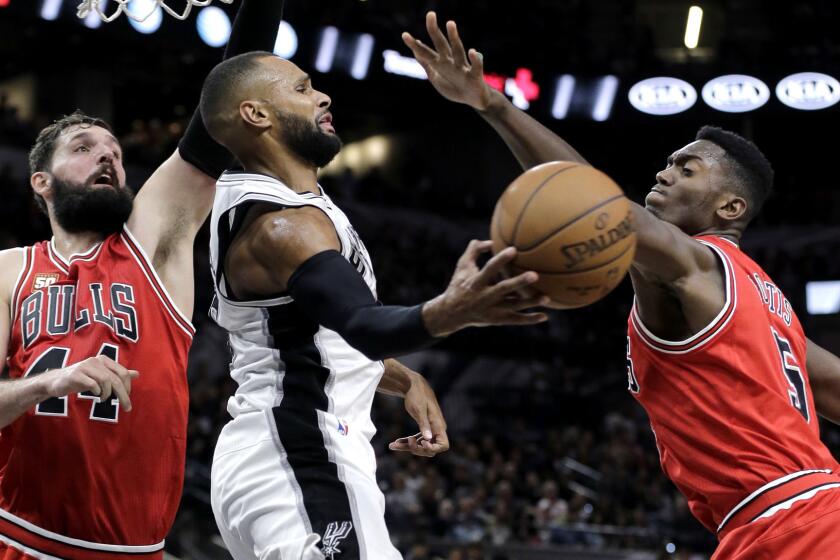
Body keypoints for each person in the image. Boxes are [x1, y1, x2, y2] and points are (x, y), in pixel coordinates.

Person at [403, 12, 840, 559]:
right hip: (808, 510)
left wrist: (493, 105)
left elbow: (593, 202)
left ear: (730, 207)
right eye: (667, 163)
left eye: (687, 170)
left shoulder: (695, 264)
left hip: (788, 522)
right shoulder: (772, 306)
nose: (664, 173)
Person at [198, 51, 550, 559]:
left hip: (278, 456)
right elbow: (363, 323)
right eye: (301, 89)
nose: (323, 96)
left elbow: (307, 336)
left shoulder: (274, 205)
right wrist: (454, 309)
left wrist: (406, 378)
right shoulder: (282, 225)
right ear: (257, 115)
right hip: (300, 455)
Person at [0, 2, 288, 559]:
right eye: (84, 149)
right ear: (42, 181)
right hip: (19, 539)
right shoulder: (10, 269)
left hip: (135, 549)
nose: (107, 158)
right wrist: (45, 384)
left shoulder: (151, 243)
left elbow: (219, 114)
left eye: (114, 152)